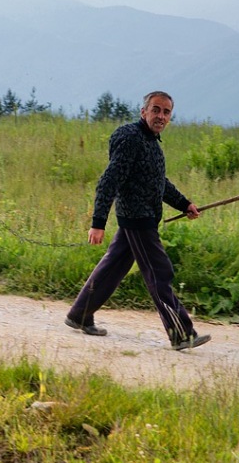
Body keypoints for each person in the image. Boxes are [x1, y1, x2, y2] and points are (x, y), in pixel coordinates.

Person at [65, 91, 211, 351]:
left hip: (142, 218)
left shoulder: (152, 143)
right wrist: (98, 222)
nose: (161, 116)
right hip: (137, 218)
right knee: (159, 272)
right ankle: (181, 333)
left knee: (113, 267)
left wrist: (184, 204)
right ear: (143, 112)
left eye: (166, 112)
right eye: (156, 110)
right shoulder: (131, 137)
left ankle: (79, 314)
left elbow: (159, 183)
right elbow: (109, 180)